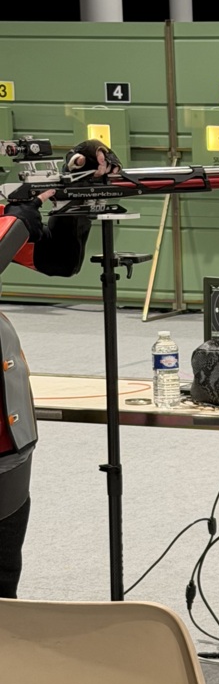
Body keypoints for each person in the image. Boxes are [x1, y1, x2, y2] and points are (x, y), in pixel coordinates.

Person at [0, 140, 111, 598]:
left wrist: (72, 194)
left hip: (7, 433)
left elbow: (58, 261)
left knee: (4, 576)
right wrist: (18, 219)